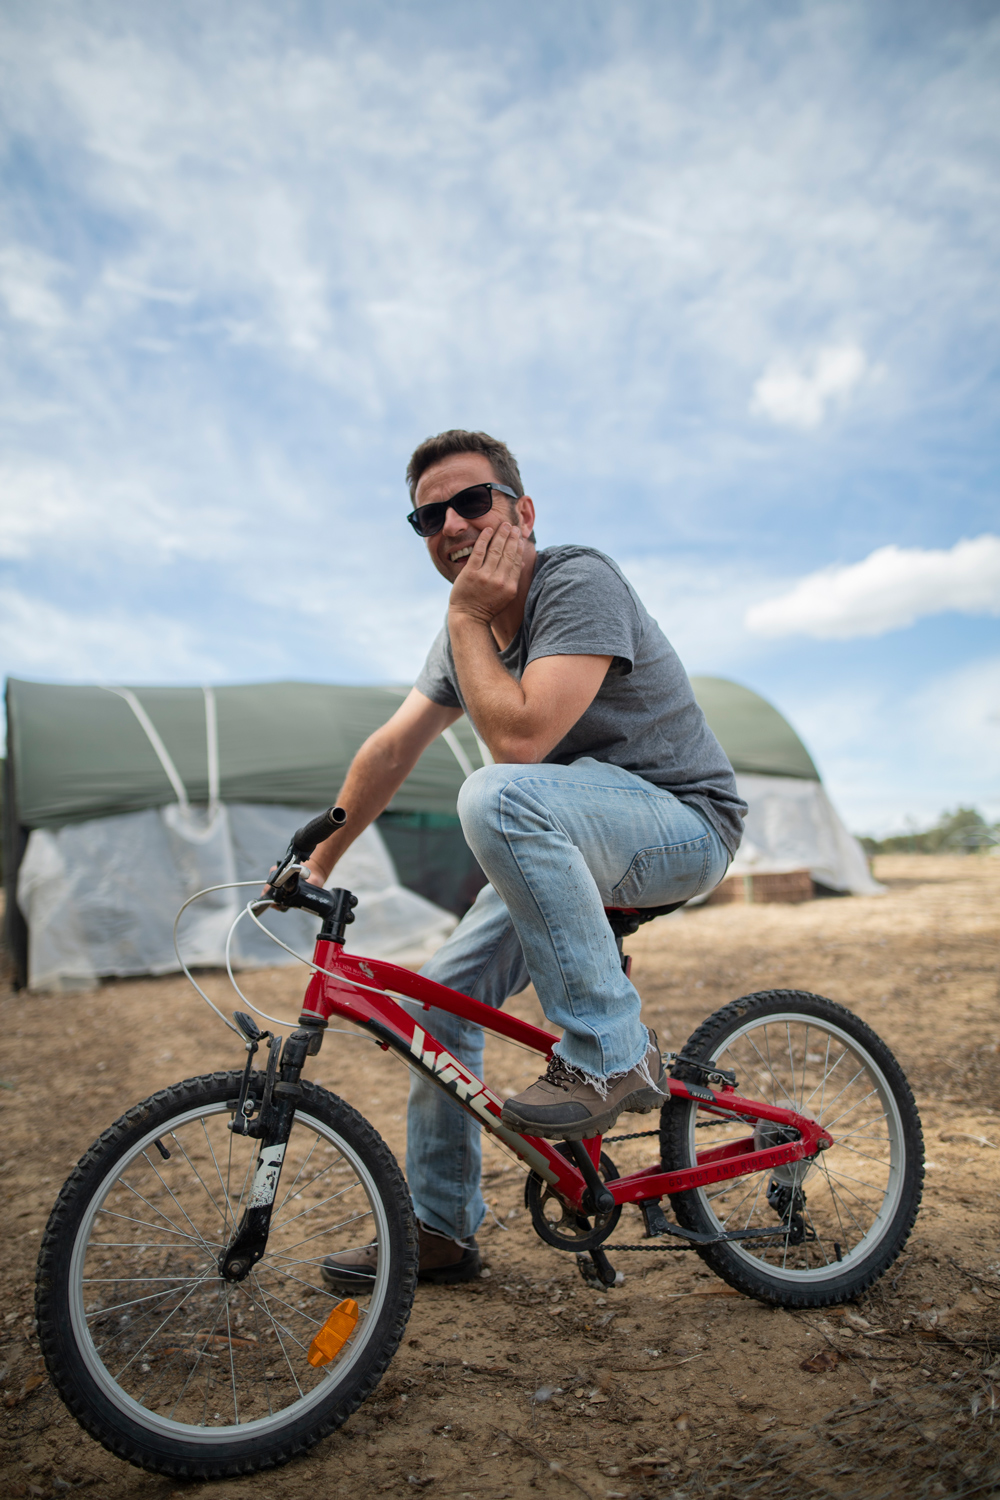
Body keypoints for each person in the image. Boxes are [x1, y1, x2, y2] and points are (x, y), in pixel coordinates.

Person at [310, 429, 746, 1287]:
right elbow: (395, 744)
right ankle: (441, 1228)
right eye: (429, 515)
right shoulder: (464, 636)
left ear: (524, 511)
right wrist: (316, 863)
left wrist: (467, 614)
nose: (453, 524)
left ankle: (610, 1050)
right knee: (442, 1002)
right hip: (569, 834)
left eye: (474, 500)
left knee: (496, 791)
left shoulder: (577, 579)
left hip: (682, 823)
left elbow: (521, 738)